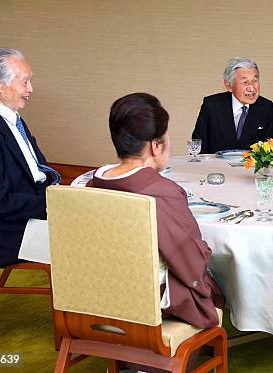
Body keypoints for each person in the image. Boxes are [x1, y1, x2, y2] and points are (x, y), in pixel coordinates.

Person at [87, 93, 225, 329]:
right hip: (152, 300)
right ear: (155, 145)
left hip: (100, 294)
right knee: (217, 282)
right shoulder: (161, 192)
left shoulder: (93, 184)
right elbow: (191, 261)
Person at [0, 48, 60, 271]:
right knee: (87, 237)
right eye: (24, 82)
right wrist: (52, 205)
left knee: (92, 223)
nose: (30, 90)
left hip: (26, 214)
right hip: (5, 232)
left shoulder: (12, 118)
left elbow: (38, 170)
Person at [191, 57, 273, 154]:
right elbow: (198, 146)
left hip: (250, 167)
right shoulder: (212, 105)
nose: (252, 88)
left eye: (255, 81)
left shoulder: (266, 107)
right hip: (215, 167)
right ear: (229, 86)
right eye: (245, 82)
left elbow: (268, 149)